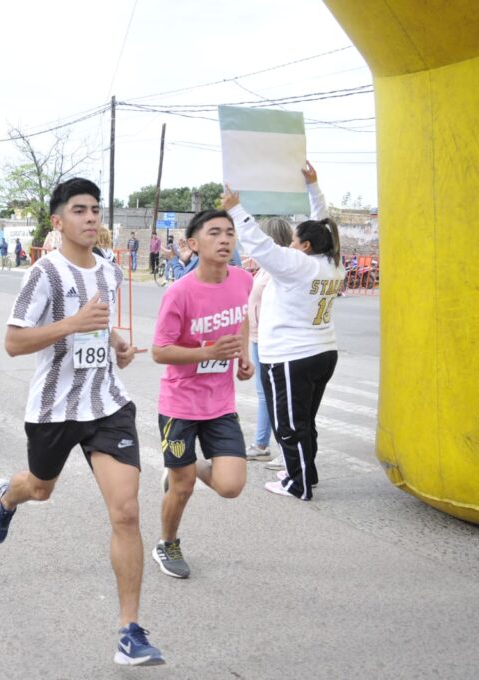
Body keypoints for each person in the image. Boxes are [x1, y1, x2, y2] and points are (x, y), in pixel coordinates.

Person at [0, 178, 164, 667]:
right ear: (58, 221)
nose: (91, 218)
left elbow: (101, 328)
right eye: (80, 210)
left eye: (95, 210)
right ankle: (8, 497)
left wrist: (118, 346)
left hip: (107, 405)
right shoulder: (43, 274)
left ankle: (130, 632)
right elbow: (14, 343)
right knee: (40, 489)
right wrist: (72, 324)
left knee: (126, 511)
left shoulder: (109, 272)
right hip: (55, 408)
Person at [223, 162, 341, 500]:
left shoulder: (297, 265)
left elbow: (260, 246)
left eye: (292, 240)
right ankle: (308, 473)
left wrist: (236, 209)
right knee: (305, 419)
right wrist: (313, 188)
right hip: (322, 351)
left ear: (304, 246)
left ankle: (297, 483)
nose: (288, 244)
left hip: (293, 355)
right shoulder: (331, 262)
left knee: (289, 425)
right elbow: (324, 225)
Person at [150, 209, 253, 579]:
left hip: (220, 403)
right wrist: (208, 353)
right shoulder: (180, 293)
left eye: (229, 233)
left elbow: (241, 320)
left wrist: (242, 355)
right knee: (183, 487)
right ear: (194, 244)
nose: (225, 239)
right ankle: (167, 543)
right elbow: (160, 351)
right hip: (180, 404)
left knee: (231, 486)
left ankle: (185, 468)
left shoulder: (242, 280)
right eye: (214, 233)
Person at [244, 217, 293, 464]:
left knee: (277, 396)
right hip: (257, 338)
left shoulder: (280, 267)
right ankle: (262, 443)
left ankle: (285, 450)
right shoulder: (266, 265)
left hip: (270, 339)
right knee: (264, 394)